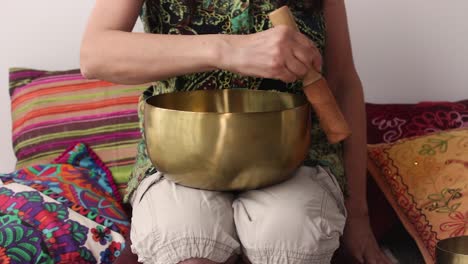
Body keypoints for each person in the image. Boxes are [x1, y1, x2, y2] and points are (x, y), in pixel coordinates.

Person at [80, 0, 392, 263]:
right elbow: (94, 54)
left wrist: (359, 215)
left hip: (295, 155)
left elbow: (342, 82)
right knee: (184, 235)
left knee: (288, 234)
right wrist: (226, 49)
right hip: (179, 156)